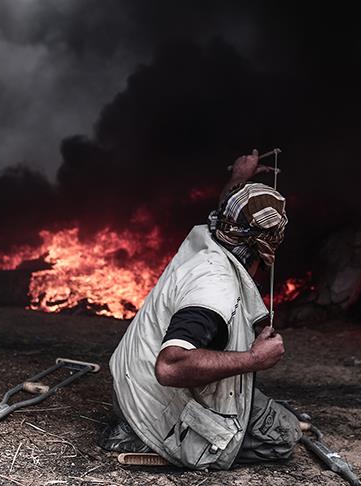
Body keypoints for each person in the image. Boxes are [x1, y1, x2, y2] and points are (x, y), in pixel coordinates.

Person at [101, 150, 302, 470]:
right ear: (266, 246)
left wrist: (239, 177)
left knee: (254, 397)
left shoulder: (212, 234)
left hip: (128, 385)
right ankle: (142, 436)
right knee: (284, 433)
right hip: (151, 406)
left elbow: (228, 210)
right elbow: (169, 366)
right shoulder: (215, 289)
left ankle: (138, 423)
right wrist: (255, 359)